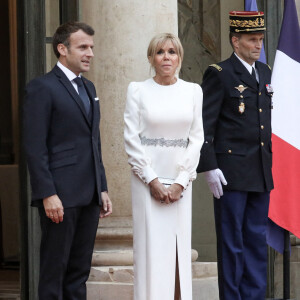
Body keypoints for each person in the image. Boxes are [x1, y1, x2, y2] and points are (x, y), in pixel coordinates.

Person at [23, 22, 112, 299]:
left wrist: (103, 187)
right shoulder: (42, 87)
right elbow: (34, 147)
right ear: (62, 49)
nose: (90, 54)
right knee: (54, 270)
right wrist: (48, 193)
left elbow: (93, 142)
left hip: (89, 195)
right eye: (83, 47)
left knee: (78, 272)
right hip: (60, 196)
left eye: (92, 48)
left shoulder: (89, 87)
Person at [197, 11, 273, 300]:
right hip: (230, 171)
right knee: (232, 243)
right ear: (235, 41)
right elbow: (205, 124)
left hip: (260, 170)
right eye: (252, 40)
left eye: (260, 40)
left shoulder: (264, 72)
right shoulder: (219, 73)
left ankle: (254, 296)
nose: (258, 45)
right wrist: (209, 166)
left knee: (255, 240)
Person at [124, 33, 204, 300]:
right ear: (151, 58)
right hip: (147, 183)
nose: (166, 57)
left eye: (172, 52)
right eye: (160, 52)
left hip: (182, 184)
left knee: (179, 253)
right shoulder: (138, 90)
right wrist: (152, 180)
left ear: (179, 57)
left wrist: (181, 181)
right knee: (151, 253)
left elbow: (196, 139)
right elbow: (131, 138)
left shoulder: (193, 91)